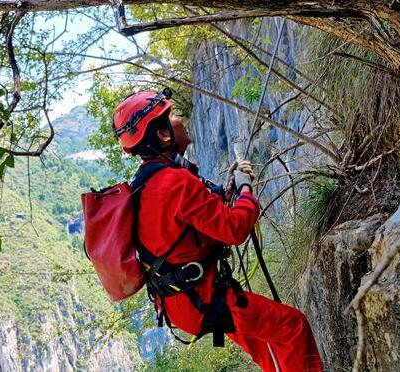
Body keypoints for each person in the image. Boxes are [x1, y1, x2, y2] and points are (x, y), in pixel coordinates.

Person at [113, 88, 324, 372]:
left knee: (270, 346)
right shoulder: (174, 184)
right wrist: (246, 188)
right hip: (201, 298)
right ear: (163, 135)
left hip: (183, 299)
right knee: (292, 327)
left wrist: (229, 191)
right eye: (171, 116)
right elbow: (235, 229)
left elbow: (199, 219)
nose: (179, 118)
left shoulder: (148, 183)